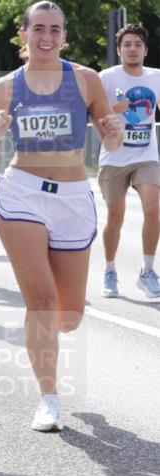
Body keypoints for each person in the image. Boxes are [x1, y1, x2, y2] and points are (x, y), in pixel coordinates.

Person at [0, 0, 123, 433]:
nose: (46, 36)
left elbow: (111, 144)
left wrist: (112, 135)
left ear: (64, 36)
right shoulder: (4, 87)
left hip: (73, 195)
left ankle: (54, 334)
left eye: (55, 29)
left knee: (68, 315)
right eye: (38, 28)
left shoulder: (86, 80)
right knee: (39, 300)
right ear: (23, 34)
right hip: (23, 193)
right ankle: (49, 398)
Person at [98, 24, 160, 298]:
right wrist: (112, 109)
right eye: (127, 45)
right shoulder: (106, 78)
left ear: (145, 50)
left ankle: (148, 271)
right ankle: (109, 271)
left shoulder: (157, 77)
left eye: (137, 44)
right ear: (119, 50)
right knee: (115, 218)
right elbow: (94, 114)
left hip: (146, 155)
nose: (132, 49)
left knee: (153, 209)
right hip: (114, 157)